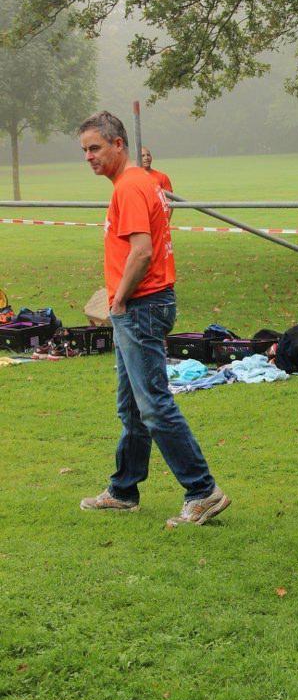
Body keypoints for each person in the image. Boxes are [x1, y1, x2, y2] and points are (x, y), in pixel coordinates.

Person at [78, 111, 230, 527]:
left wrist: (120, 300)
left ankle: (202, 491)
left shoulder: (129, 187)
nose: (89, 157)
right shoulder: (144, 182)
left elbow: (142, 252)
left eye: (95, 147)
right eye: (85, 150)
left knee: (153, 406)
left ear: (118, 144)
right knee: (131, 406)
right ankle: (124, 490)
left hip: (141, 306)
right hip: (150, 303)